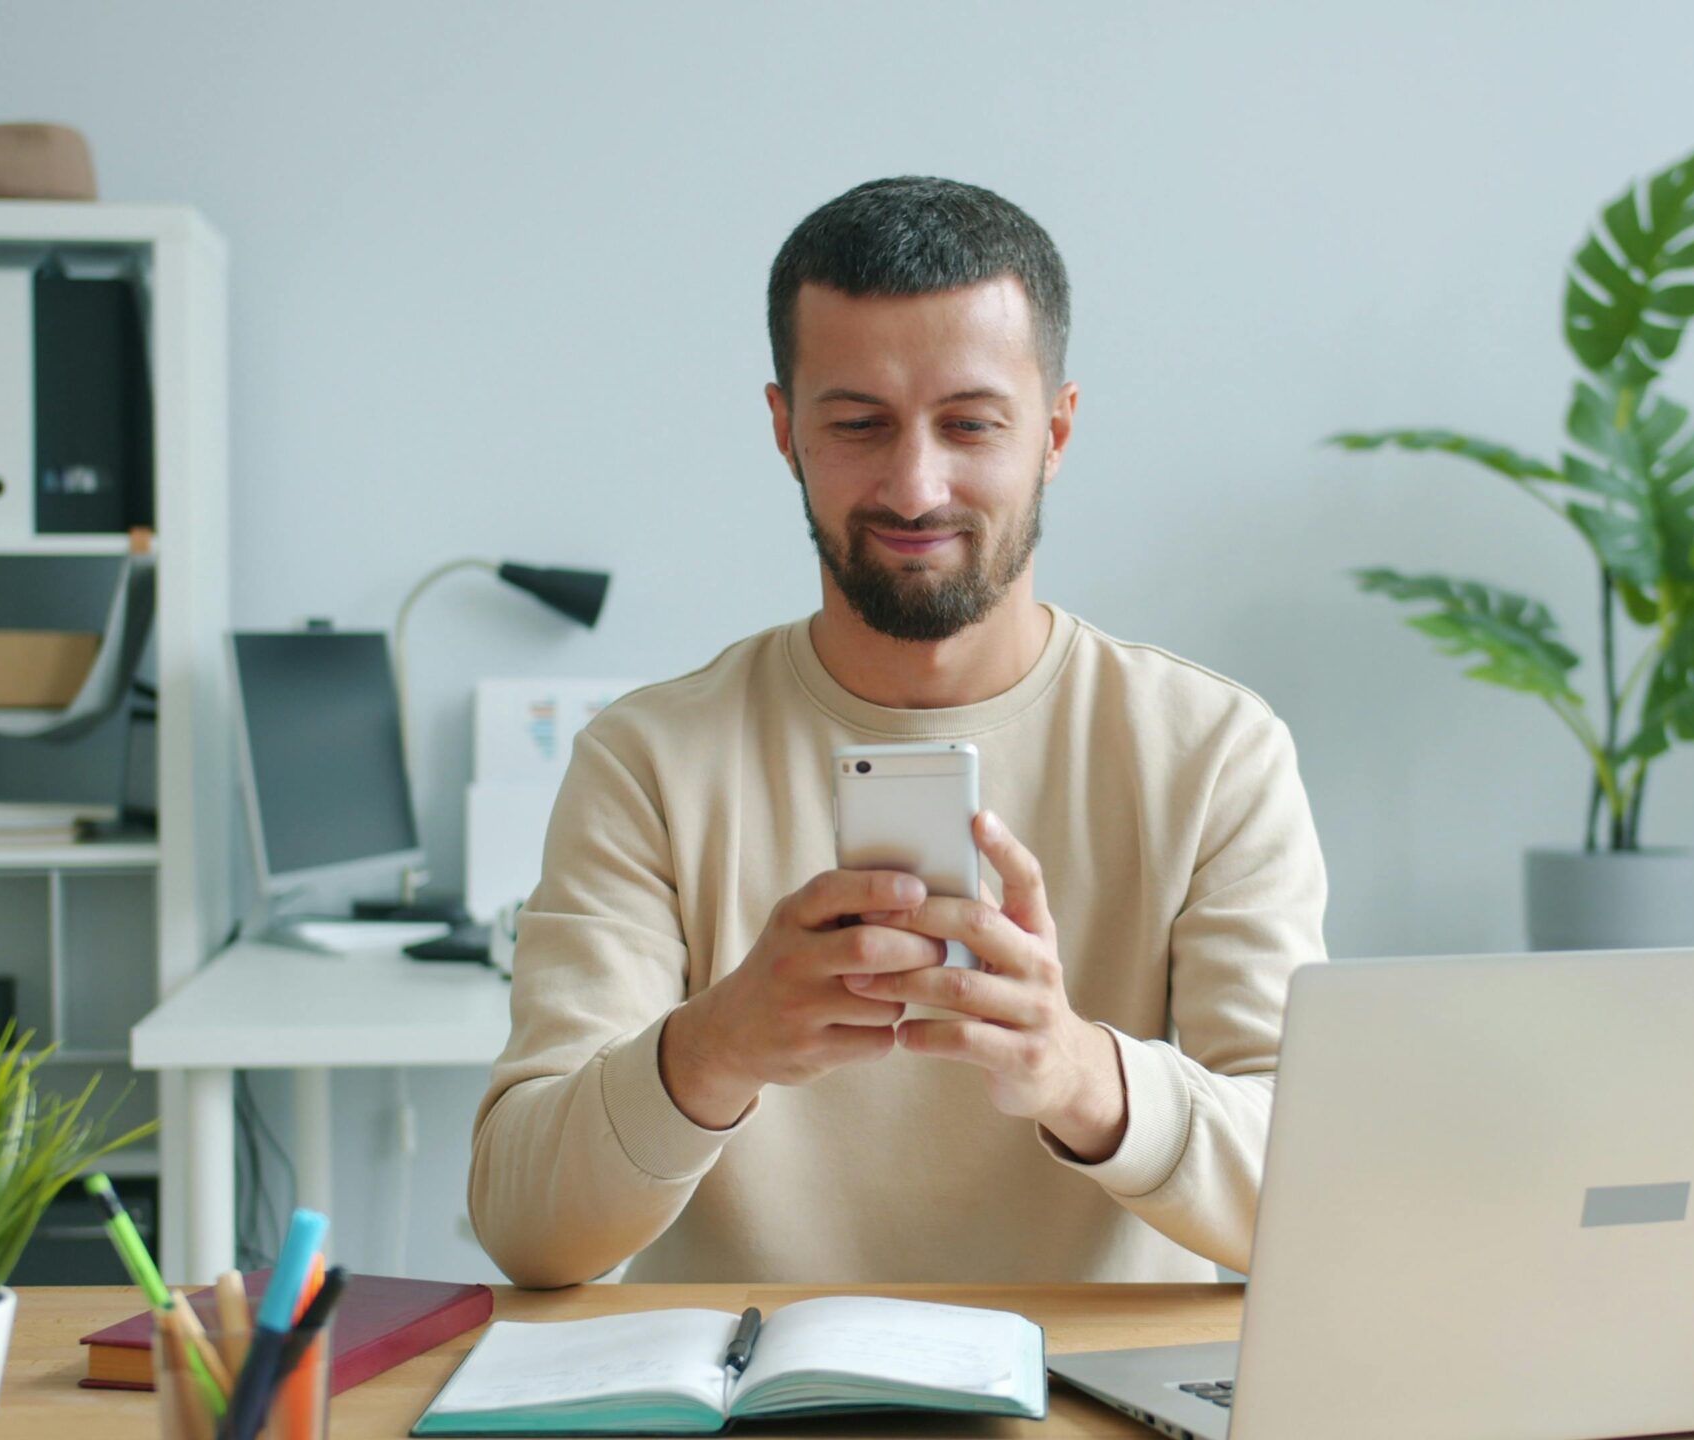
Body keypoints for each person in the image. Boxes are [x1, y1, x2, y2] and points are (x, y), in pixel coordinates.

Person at [468, 176, 1328, 1286]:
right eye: (858, 424)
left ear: (1055, 431)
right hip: (748, 1403)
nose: (915, 486)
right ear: (785, 431)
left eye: (970, 423)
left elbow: (1307, 1204)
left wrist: (1080, 1076)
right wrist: (717, 1044)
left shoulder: (1213, 753)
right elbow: (526, 1228)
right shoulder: (648, 761)